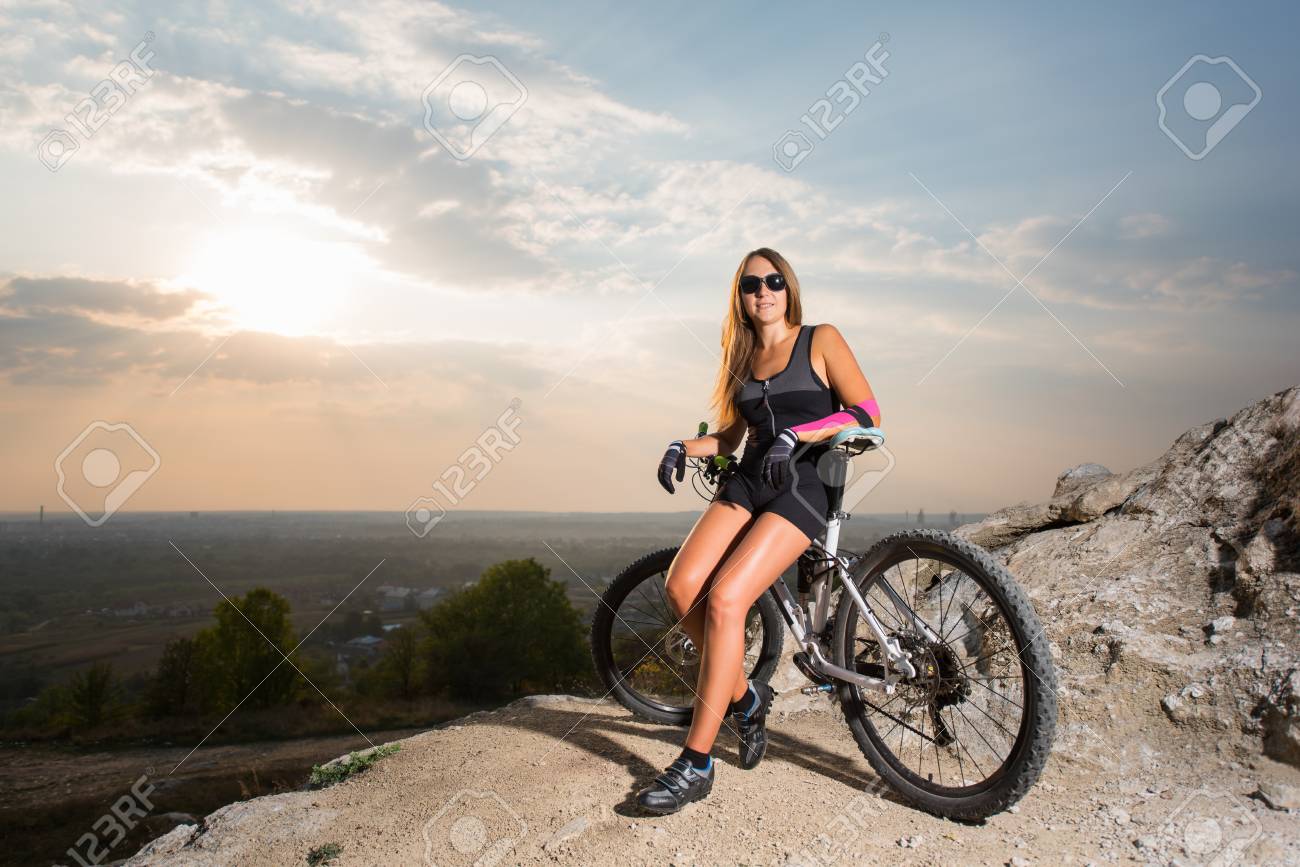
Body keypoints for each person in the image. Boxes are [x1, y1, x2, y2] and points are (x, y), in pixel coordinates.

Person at [636, 247, 881, 814]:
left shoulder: (820, 339)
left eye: (773, 281)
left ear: (788, 288)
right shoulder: (741, 356)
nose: (763, 291)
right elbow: (729, 437)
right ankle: (745, 700)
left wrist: (801, 435)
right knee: (681, 586)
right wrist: (681, 446)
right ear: (741, 297)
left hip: (802, 485)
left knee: (725, 601)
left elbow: (865, 411)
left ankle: (696, 763)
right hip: (749, 481)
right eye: (751, 285)